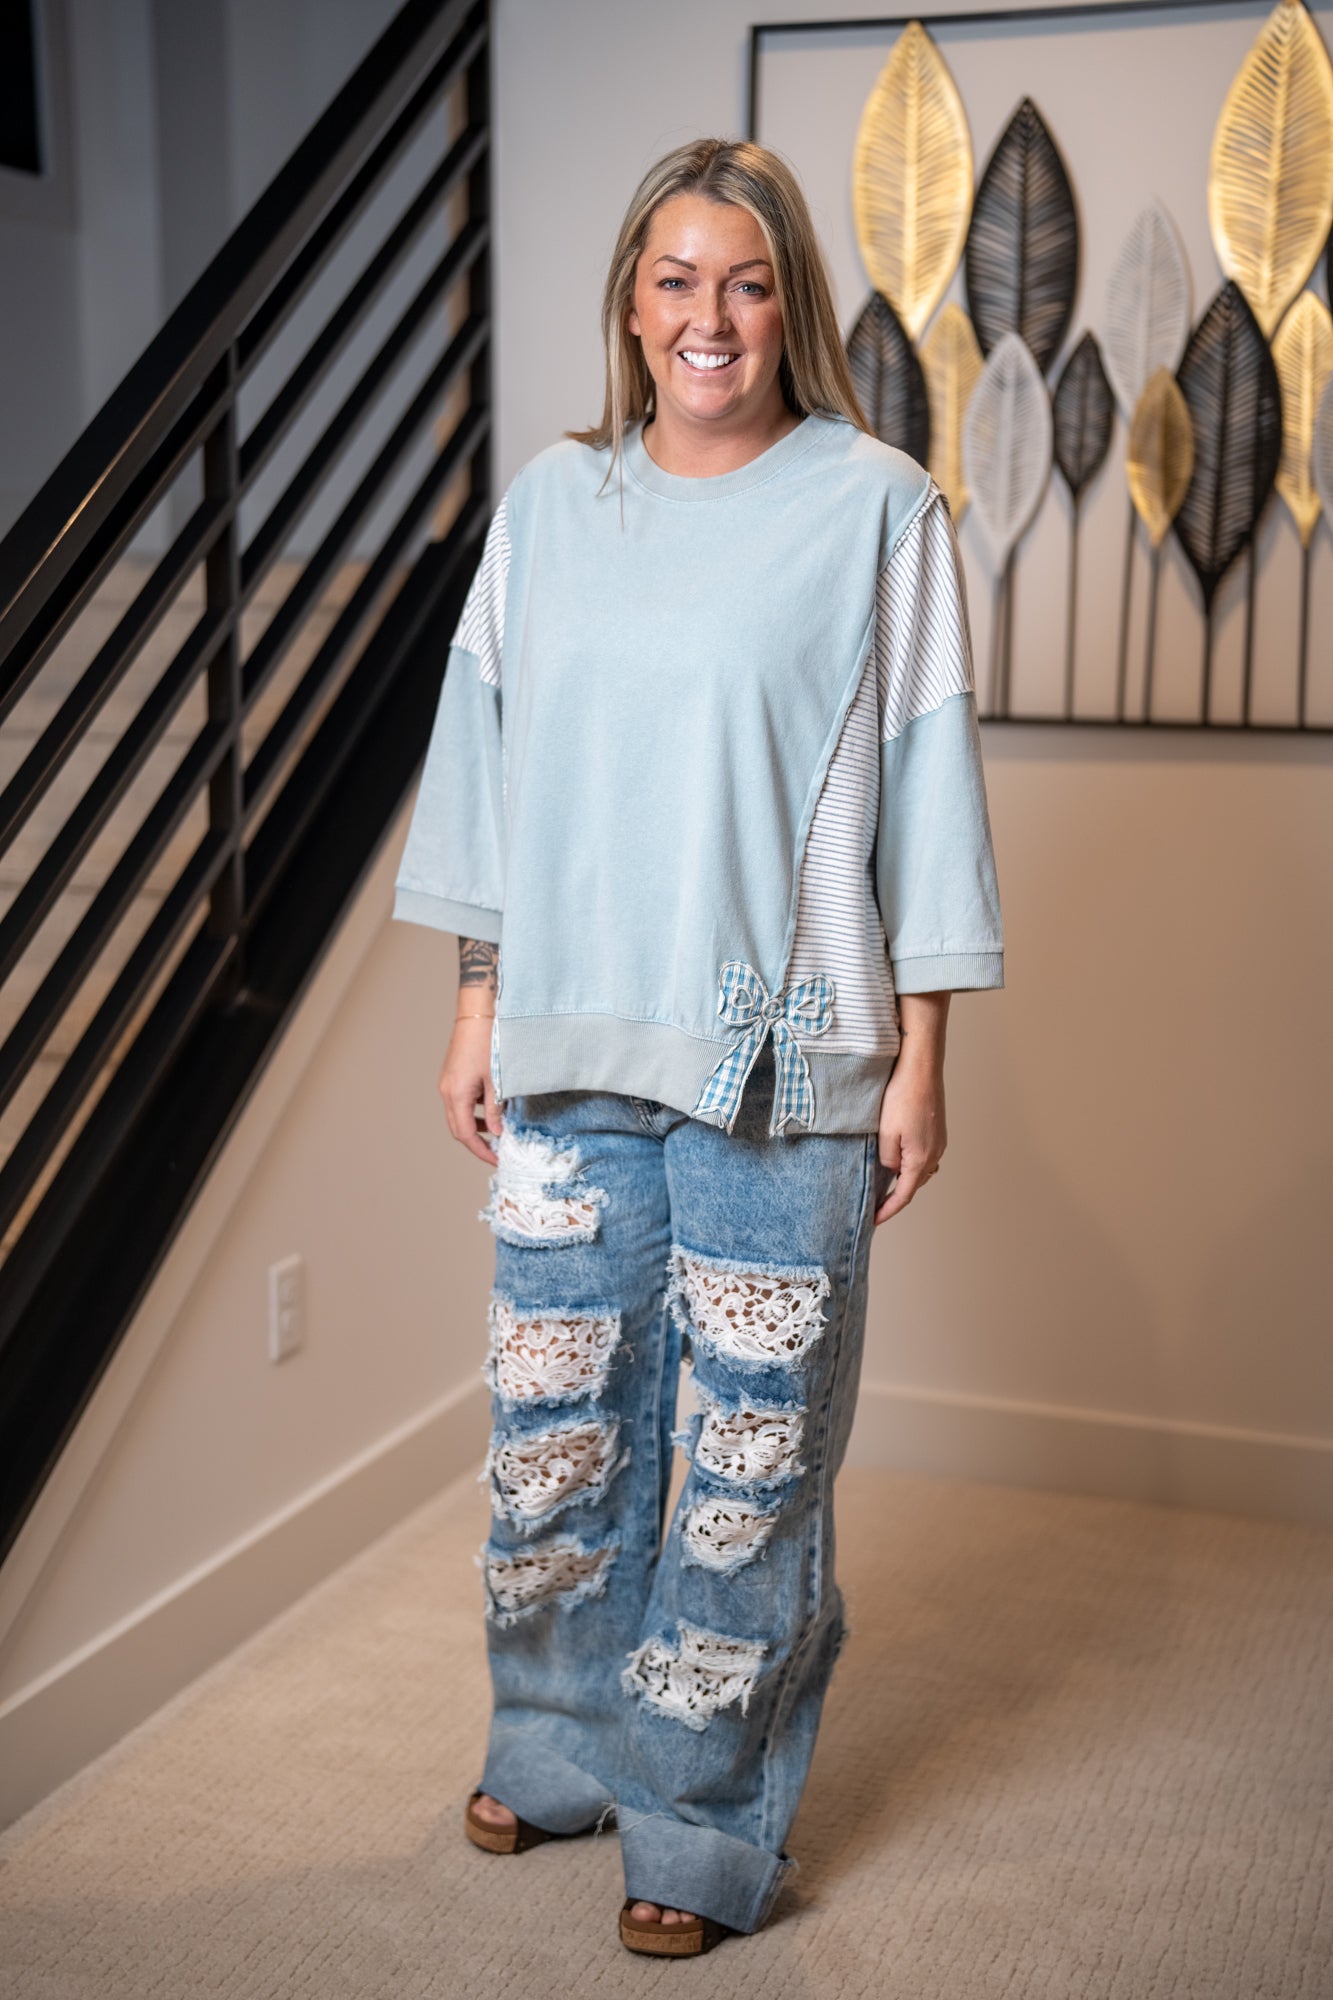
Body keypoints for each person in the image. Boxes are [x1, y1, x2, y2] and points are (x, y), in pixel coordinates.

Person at [392, 137, 1004, 1958]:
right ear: (631, 304)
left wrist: (921, 1052)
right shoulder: (548, 505)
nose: (707, 316)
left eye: (744, 281)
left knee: (749, 1466)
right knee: (555, 1437)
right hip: (567, 1042)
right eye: (674, 280)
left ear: (789, 304)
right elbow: (489, 764)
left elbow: (929, 781)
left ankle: (704, 1819)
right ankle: (555, 1742)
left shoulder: (877, 505)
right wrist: (476, 1000)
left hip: (783, 1057)